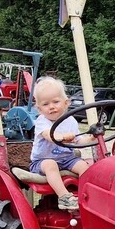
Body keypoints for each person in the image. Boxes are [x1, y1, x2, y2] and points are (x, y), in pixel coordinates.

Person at [29, 76, 93, 210]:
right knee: (51, 165)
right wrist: (62, 137)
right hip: (43, 161)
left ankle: (85, 195)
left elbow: (77, 141)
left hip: (67, 159)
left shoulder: (71, 121)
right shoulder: (42, 121)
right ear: (39, 109)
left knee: (84, 166)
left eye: (56, 102)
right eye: (46, 104)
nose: (51, 107)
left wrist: (91, 138)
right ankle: (64, 197)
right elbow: (49, 135)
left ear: (66, 103)